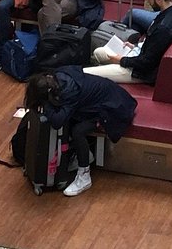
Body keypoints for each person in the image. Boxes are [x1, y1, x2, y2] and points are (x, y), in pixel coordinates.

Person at [23, 69, 137, 197]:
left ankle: (84, 176)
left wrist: (45, 103)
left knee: (78, 131)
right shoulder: (58, 78)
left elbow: (57, 122)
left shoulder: (69, 91)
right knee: (71, 119)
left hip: (114, 109)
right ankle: (83, 155)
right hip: (104, 100)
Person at [86, 0, 172, 84]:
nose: (148, 1)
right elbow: (153, 49)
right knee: (99, 52)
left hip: (139, 72)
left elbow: (146, 63)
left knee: (86, 72)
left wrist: (120, 60)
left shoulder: (163, 29)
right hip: (140, 56)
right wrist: (135, 46)